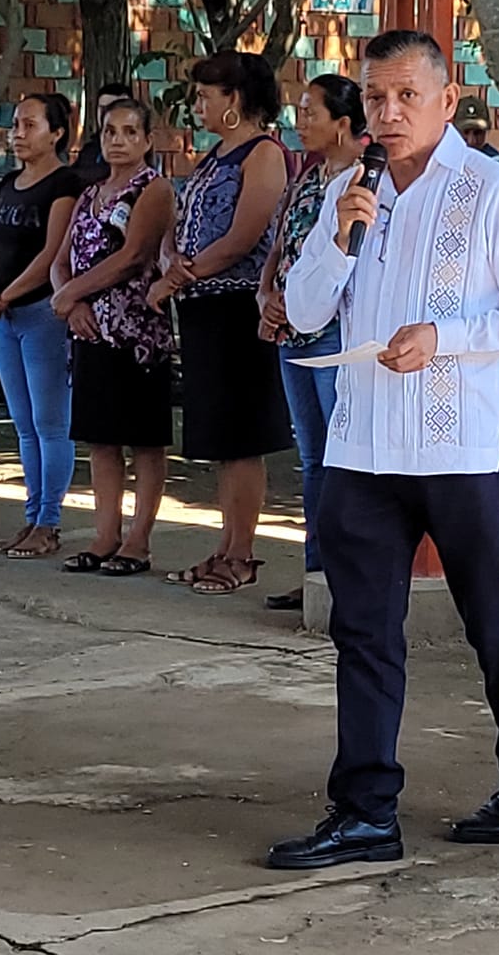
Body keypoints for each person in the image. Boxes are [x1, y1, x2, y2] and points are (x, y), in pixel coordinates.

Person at [273, 30, 499, 870]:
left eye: (409, 96)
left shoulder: (492, 191)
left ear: (448, 101)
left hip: (455, 450)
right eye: (376, 97)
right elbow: (302, 313)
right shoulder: (349, 189)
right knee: (363, 633)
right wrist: (336, 238)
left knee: (493, 621)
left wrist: (441, 338)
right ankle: (365, 810)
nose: (390, 112)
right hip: (363, 449)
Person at [148, 50, 292, 595]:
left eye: (208, 94)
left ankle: (243, 552)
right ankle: (226, 545)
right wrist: (169, 259)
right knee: (219, 438)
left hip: (237, 308)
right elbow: (182, 224)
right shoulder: (213, 156)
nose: (198, 104)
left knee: (241, 436)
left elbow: (246, 235)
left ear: (236, 99)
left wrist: (178, 277)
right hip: (204, 307)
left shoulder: (264, 154)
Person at [51, 98, 174, 577]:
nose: (117, 140)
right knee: (100, 438)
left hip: (137, 330)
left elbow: (133, 256)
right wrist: (72, 302)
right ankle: (105, 535)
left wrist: (68, 297)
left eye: (128, 132)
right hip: (90, 330)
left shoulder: (154, 188)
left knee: (144, 439)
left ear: (147, 139)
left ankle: (139, 540)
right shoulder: (91, 193)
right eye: (109, 131)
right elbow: (62, 259)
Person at [259, 73, 365, 612]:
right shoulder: (306, 177)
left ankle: (346, 575)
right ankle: (315, 571)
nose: (301, 124)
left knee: (341, 456)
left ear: (343, 124)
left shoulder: (361, 184)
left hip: (334, 336)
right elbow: (281, 244)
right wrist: (266, 297)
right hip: (291, 331)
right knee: (314, 459)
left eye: (311, 114)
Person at [0, 93, 83, 560]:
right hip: (5, 318)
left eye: (29, 125)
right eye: (15, 125)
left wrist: (8, 294)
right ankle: (31, 515)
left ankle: (50, 520)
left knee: (50, 422)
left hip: (42, 314)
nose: (18, 134)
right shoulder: (6, 183)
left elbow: (50, 255)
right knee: (22, 425)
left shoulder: (64, 185)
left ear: (56, 132)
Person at [72, 81, 134, 178]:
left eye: (116, 109)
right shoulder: (89, 150)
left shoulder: (138, 148)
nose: (108, 115)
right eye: (103, 109)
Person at [453, 95, 499, 163]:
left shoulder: (497, 164)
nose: (471, 141)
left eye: (477, 133)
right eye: (465, 132)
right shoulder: (443, 159)